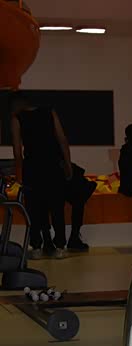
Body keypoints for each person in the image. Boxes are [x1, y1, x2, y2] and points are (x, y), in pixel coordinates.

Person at [10, 92, 72, 259]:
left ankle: (37, 246)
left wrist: (18, 174)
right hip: (53, 165)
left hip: (33, 168)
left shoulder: (17, 119)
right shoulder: (49, 112)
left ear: (17, 105)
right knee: (57, 207)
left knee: (34, 209)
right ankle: (60, 246)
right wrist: (68, 164)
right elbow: (62, 140)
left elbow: (17, 151)